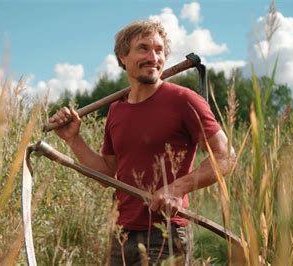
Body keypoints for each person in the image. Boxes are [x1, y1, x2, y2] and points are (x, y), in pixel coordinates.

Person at [49, 19, 235, 265]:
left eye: (159, 50)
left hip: (166, 232)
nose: (153, 56)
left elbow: (225, 157)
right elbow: (107, 171)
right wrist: (74, 139)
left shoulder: (184, 101)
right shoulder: (116, 110)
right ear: (122, 57)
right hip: (121, 234)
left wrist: (176, 189)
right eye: (143, 48)